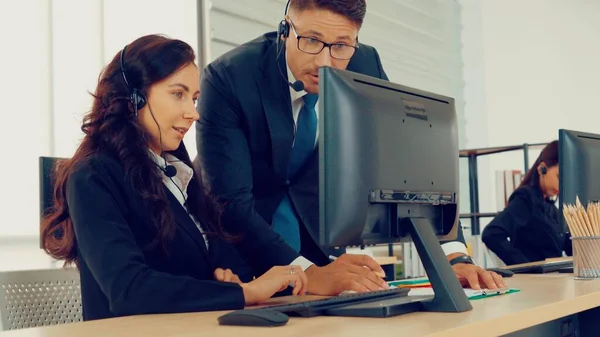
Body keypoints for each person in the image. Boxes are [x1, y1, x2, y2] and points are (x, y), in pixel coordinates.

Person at [197, 0, 505, 294]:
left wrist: (453, 255)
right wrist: (305, 273)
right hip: (241, 248)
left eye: (342, 45)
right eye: (311, 40)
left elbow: (408, 162)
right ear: (285, 29)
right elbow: (230, 202)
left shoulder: (365, 64)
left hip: (315, 243)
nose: (324, 62)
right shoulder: (228, 78)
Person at [40, 34, 308, 321]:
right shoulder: (93, 176)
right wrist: (246, 293)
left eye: (194, 99)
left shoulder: (178, 176)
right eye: (177, 94)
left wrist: (227, 282)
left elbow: (229, 263)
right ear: (134, 98)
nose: (193, 113)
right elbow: (128, 290)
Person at [482, 141, 572, 265]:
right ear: (542, 169)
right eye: (558, 176)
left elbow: (569, 248)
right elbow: (492, 234)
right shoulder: (526, 198)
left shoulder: (551, 208)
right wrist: (525, 267)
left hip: (555, 277)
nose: (560, 185)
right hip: (537, 280)